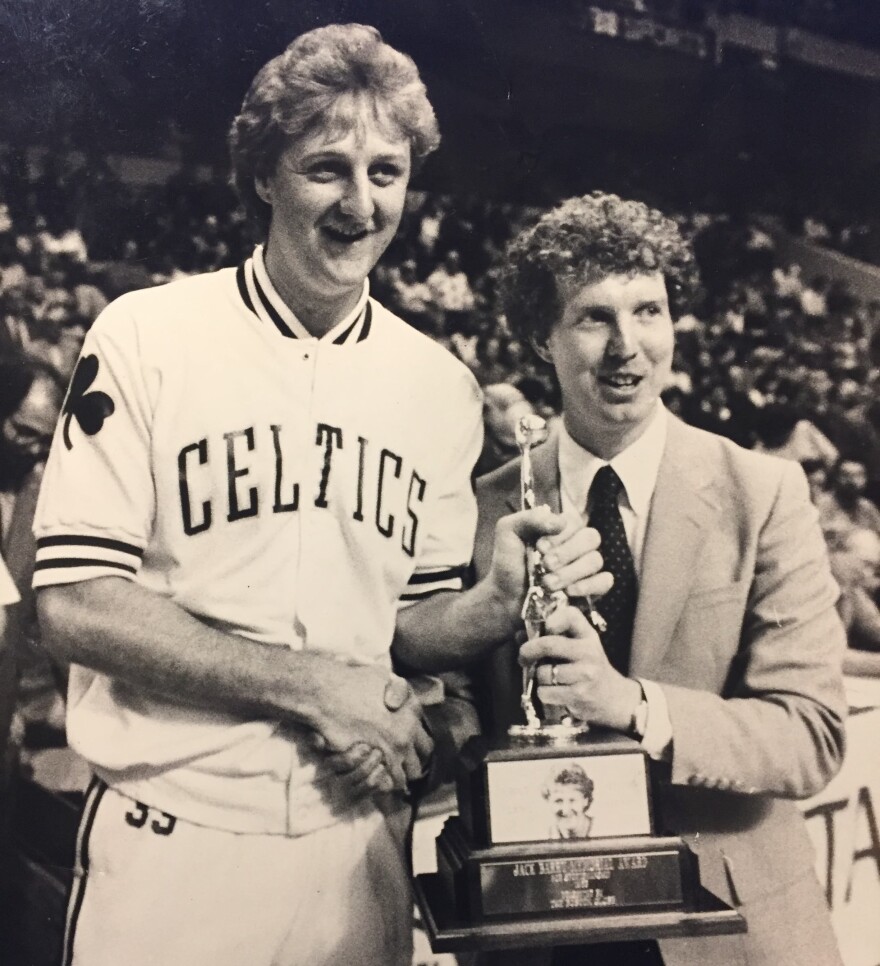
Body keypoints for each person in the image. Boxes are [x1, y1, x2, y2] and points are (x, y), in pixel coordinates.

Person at [32, 25, 599, 966]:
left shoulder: (439, 386)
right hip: (177, 842)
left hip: (356, 847)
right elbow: (75, 603)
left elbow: (409, 625)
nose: (360, 201)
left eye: (387, 172)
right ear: (264, 175)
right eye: (326, 167)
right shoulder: (147, 334)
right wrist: (317, 689)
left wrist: (494, 604)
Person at [470, 193, 846, 966]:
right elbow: (456, 707)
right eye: (593, 317)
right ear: (541, 338)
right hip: (546, 931)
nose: (627, 347)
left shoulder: (763, 493)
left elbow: (811, 735)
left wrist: (633, 706)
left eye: (648, 311)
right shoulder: (487, 508)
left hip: (730, 931)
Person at [542, 762, 594, 840]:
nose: (565, 810)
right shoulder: (543, 837)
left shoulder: (605, 831)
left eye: (572, 800)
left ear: (585, 800)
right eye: (558, 801)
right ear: (548, 802)